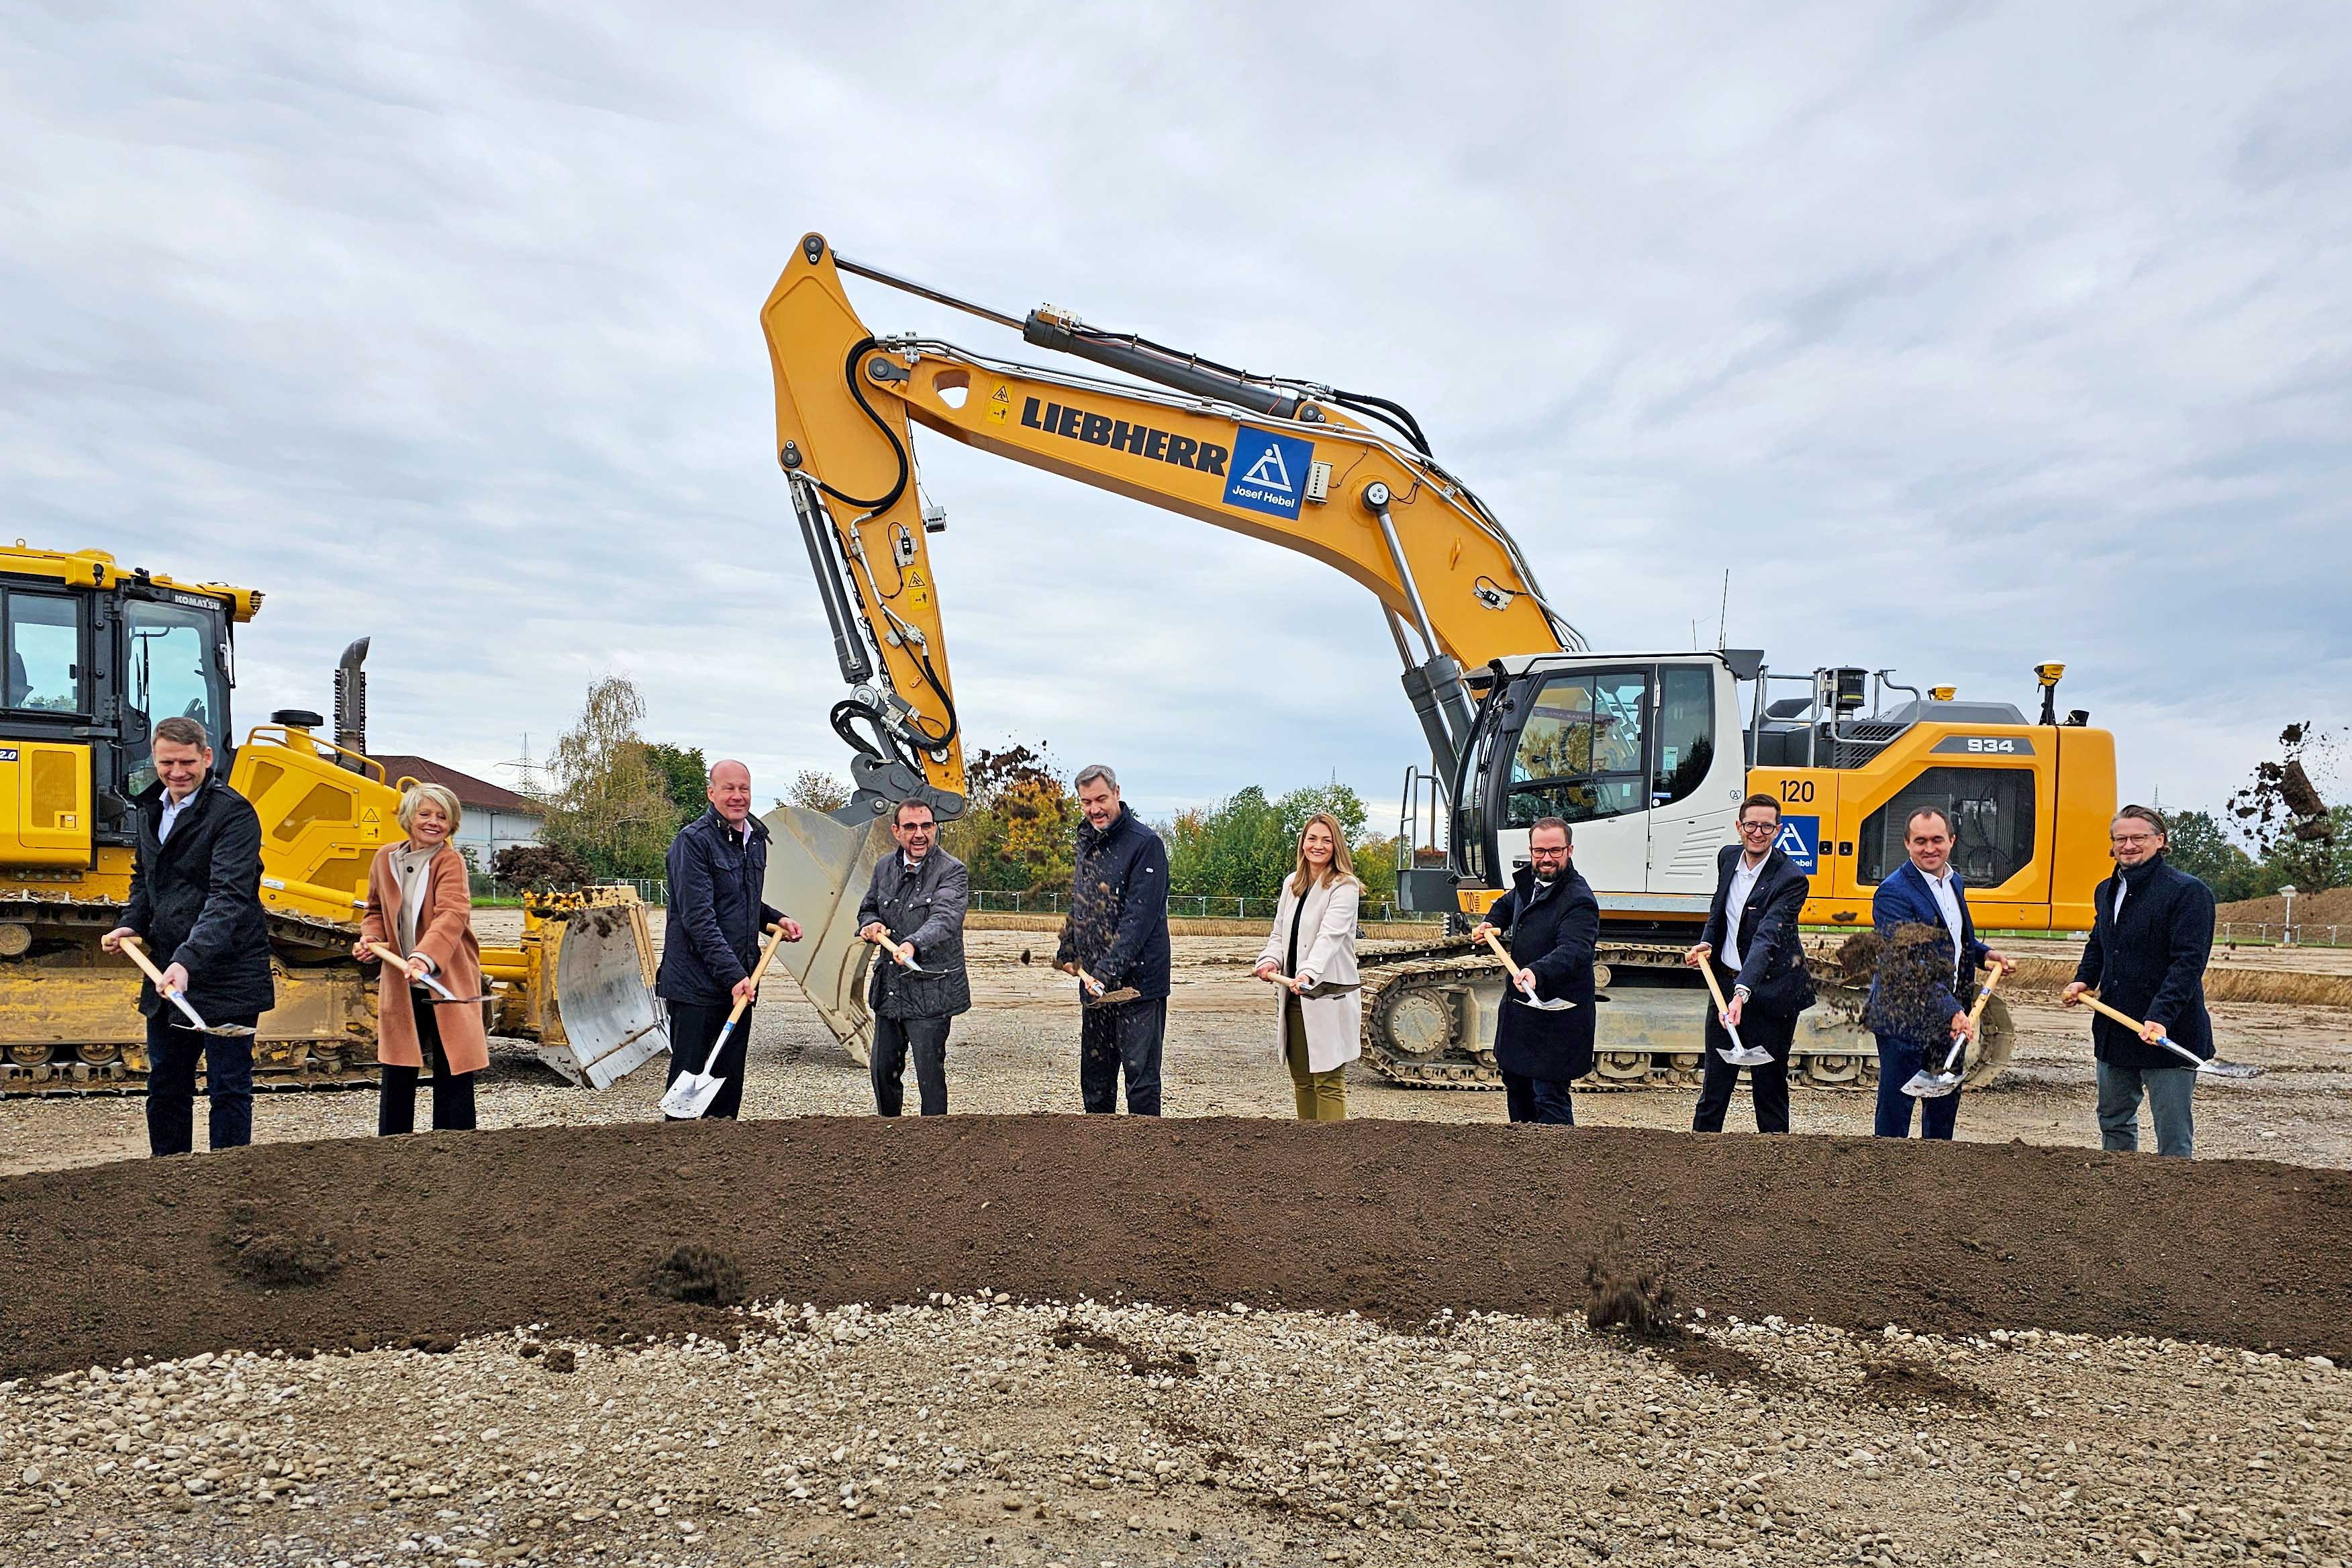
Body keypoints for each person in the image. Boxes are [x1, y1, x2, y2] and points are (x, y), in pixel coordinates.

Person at [99, 717, 275, 1156]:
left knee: (228, 1086)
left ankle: (229, 1181)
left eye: (187, 762)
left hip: (227, 971)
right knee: (166, 1083)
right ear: (155, 760)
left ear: (207, 758)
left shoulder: (233, 814)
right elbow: (146, 879)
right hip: (166, 970)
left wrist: (188, 961)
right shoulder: (151, 808)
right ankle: (169, 1178)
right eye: (167, 762)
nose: (177, 771)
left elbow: (229, 897)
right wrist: (131, 923)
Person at [2062, 805, 2215, 1158]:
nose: (2128, 845)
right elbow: (2100, 942)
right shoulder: (2106, 890)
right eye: (2120, 839)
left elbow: (2188, 964)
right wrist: (2084, 980)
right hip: (2116, 1028)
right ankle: (2120, 1197)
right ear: (2112, 845)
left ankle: (2172, 1202)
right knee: (2114, 1122)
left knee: (2172, 1135)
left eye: (2138, 838)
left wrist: (2160, 1015)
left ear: (2160, 841)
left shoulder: (2187, 892)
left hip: (2167, 1033)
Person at [656, 761, 801, 1120]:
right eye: (729, 788)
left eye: (744, 789)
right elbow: (699, 919)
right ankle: (678, 1158)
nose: (738, 797)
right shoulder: (693, 842)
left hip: (738, 983)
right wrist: (733, 975)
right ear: (711, 793)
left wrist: (775, 918)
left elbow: (742, 901)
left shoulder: (756, 840)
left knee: (725, 1082)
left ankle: (720, 1162)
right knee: (691, 1077)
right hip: (696, 986)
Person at [1867, 805, 2010, 1139]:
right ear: (1907, 844)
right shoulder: (1893, 892)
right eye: (1920, 841)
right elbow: (1906, 960)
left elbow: (1955, 936)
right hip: (1904, 1017)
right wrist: (1953, 1011)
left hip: (1948, 1014)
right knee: (1896, 1110)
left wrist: (1984, 954)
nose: (1929, 848)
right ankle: (1888, 1178)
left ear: (1952, 841)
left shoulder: (1953, 880)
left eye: (1937, 840)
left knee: (1943, 1105)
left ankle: (1936, 1177)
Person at [356, 783, 488, 1134]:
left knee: (453, 1063)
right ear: (408, 818)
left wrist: (425, 959)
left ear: (452, 823)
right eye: (425, 814)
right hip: (401, 977)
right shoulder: (385, 859)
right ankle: (395, 1143)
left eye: (442, 816)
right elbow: (374, 909)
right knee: (399, 1062)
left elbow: (452, 913)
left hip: (445, 975)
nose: (433, 822)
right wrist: (371, 939)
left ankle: (456, 1144)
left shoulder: (450, 861)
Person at [1684, 793, 1815, 1133]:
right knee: (1715, 1082)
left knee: (1769, 1085)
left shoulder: (1791, 880)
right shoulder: (1727, 858)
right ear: (1739, 826)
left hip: (1771, 992)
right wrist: (1708, 942)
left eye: (1767, 826)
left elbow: (1768, 938)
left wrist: (1743, 993)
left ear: (1778, 829)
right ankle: (1700, 1157)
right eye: (1752, 825)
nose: (1758, 833)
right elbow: (1720, 909)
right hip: (1724, 984)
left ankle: (1773, 1162)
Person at [1053, 765, 1171, 1116]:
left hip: (1138, 986)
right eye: (1086, 802)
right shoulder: (1087, 840)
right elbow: (1082, 900)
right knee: (1096, 1080)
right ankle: (1099, 1162)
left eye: (1101, 799)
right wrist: (1069, 945)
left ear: (1117, 793)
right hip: (1096, 987)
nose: (1095, 809)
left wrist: (1106, 971)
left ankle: (1147, 1159)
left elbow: (1140, 918)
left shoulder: (1145, 844)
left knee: (1141, 1081)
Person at [1469, 816, 1598, 1125]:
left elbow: (1576, 951)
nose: (1547, 859)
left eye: (1555, 851)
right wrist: (1492, 921)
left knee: (1549, 1094)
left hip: (1557, 1013)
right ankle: (1522, 1162)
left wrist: (1538, 971)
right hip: (1522, 1009)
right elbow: (1508, 902)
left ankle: (1557, 1166)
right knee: (1517, 1086)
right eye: (1539, 852)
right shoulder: (1530, 881)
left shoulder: (1579, 900)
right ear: (1531, 851)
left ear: (1569, 850)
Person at [855, 799, 971, 1116]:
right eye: (910, 827)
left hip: (930, 989)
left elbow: (946, 918)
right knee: (882, 1071)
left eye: (926, 826)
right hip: (891, 990)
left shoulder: (951, 871)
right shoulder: (884, 868)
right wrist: (870, 923)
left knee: (929, 1077)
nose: (919, 834)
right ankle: (889, 1134)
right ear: (896, 831)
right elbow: (868, 909)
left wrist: (912, 944)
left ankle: (933, 1144)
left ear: (935, 828)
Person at [1252, 812, 1363, 1121]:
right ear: (1302, 844)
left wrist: (1308, 972)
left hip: (1326, 994)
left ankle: (1332, 1155)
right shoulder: (1293, 884)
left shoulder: (1344, 886)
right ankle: (1309, 1153)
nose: (1318, 846)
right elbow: (1279, 934)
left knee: (1328, 1081)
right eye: (1312, 839)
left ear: (1336, 846)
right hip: (1294, 997)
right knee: (1302, 1080)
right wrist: (1270, 959)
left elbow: (1330, 936)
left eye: (1326, 840)